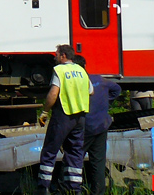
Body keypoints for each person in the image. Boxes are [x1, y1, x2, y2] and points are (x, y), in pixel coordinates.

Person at [36, 44, 92, 195]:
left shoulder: (59, 70)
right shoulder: (81, 70)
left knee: (50, 151)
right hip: (80, 117)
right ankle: (74, 188)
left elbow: (53, 94)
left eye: (56, 54)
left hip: (63, 115)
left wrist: (45, 112)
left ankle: (43, 188)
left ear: (63, 56)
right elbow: (91, 92)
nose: (55, 57)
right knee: (75, 152)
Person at [75, 55, 121, 195]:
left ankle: (70, 190)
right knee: (98, 163)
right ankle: (98, 192)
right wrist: (106, 101)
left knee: (73, 161)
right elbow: (117, 89)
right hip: (101, 126)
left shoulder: (76, 84)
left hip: (85, 128)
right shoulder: (100, 80)